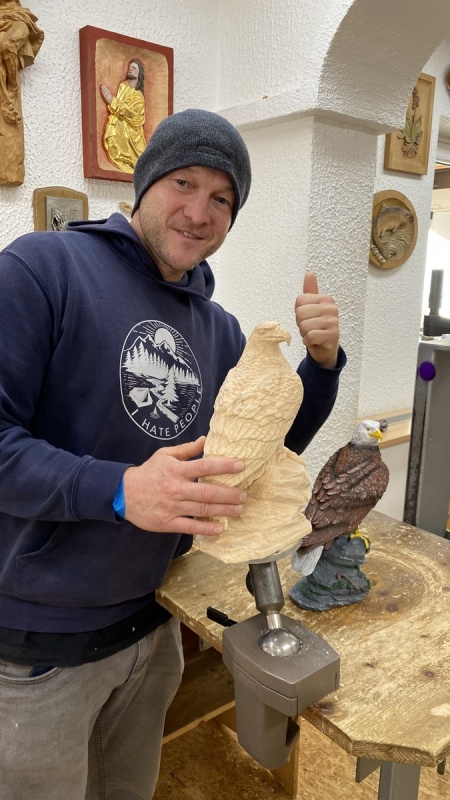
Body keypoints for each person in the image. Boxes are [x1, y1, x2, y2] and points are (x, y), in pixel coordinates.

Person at [0, 108, 346, 800]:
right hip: (38, 649)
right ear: (145, 181)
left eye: (222, 198)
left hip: (157, 629)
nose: (199, 211)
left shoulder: (218, 329)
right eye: (183, 183)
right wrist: (121, 489)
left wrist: (321, 365)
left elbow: (257, 458)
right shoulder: (41, 269)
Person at [0, 0, 44, 185]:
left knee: (7, 44)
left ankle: (11, 88)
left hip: (8, 85)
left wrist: (12, 83)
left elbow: (8, 45)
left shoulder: (20, 18)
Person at [100, 59, 146, 173]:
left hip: (131, 135)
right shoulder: (123, 86)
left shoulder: (138, 96)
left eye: (134, 68)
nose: (130, 69)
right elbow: (119, 110)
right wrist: (112, 103)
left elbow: (132, 115)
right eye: (130, 67)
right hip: (118, 125)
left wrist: (112, 100)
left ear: (139, 74)